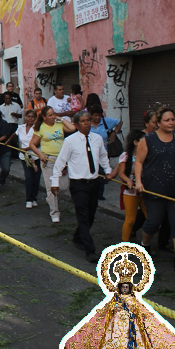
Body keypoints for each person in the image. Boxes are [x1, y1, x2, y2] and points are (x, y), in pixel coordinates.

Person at [135, 106, 175, 275]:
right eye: (167, 120)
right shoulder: (148, 140)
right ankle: (145, 245)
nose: (171, 123)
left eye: (173, 119)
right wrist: (138, 181)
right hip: (155, 188)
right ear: (158, 123)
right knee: (153, 221)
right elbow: (139, 162)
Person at [50, 112, 111, 263]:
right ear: (76, 125)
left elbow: (102, 156)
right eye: (83, 121)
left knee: (91, 215)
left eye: (88, 120)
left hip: (94, 182)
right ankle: (90, 250)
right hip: (78, 184)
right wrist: (55, 182)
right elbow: (60, 162)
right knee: (82, 216)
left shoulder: (97, 139)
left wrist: (108, 170)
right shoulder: (70, 141)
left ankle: (78, 237)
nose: (87, 123)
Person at [29, 106, 76, 223]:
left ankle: (51, 200)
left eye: (54, 114)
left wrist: (61, 118)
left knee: (64, 186)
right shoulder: (40, 127)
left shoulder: (59, 125)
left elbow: (72, 128)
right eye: (50, 115)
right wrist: (40, 155)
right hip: (48, 160)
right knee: (51, 187)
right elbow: (32, 144)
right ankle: (54, 212)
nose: (53, 117)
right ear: (44, 117)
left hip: (62, 159)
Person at [110, 130, 148, 242]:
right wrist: (128, 181)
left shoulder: (148, 155)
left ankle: (146, 243)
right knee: (130, 220)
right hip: (130, 192)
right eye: (143, 140)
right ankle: (125, 243)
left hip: (145, 191)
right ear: (135, 142)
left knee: (150, 219)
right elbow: (121, 173)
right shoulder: (125, 156)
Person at [15, 110, 41, 208]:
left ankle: (34, 197)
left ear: (35, 118)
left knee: (36, 178)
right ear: (25, 117)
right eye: (28, 116)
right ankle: (28, 199)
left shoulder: (38, 129)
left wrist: (27, 148)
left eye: (32, 117)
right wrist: (8, 142)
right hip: (24, 157)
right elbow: (14, 135)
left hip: (36, 156)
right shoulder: (20, 128)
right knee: (29, 177)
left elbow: (38, 142)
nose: (30, 118)